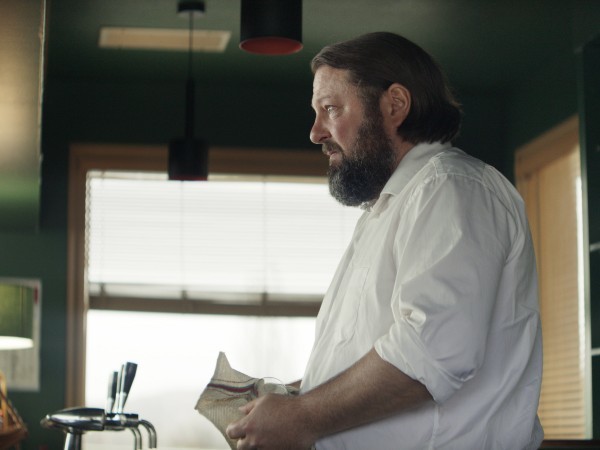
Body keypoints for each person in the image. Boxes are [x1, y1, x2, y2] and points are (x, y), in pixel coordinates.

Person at [226, 31, 543, 450]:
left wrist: (302, 416)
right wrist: (292, 401)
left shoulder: (452, 188)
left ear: (394, 104)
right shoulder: (386, 210)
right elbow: (378, 357)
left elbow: (432, 350)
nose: (316, 132)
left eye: (330, 109)